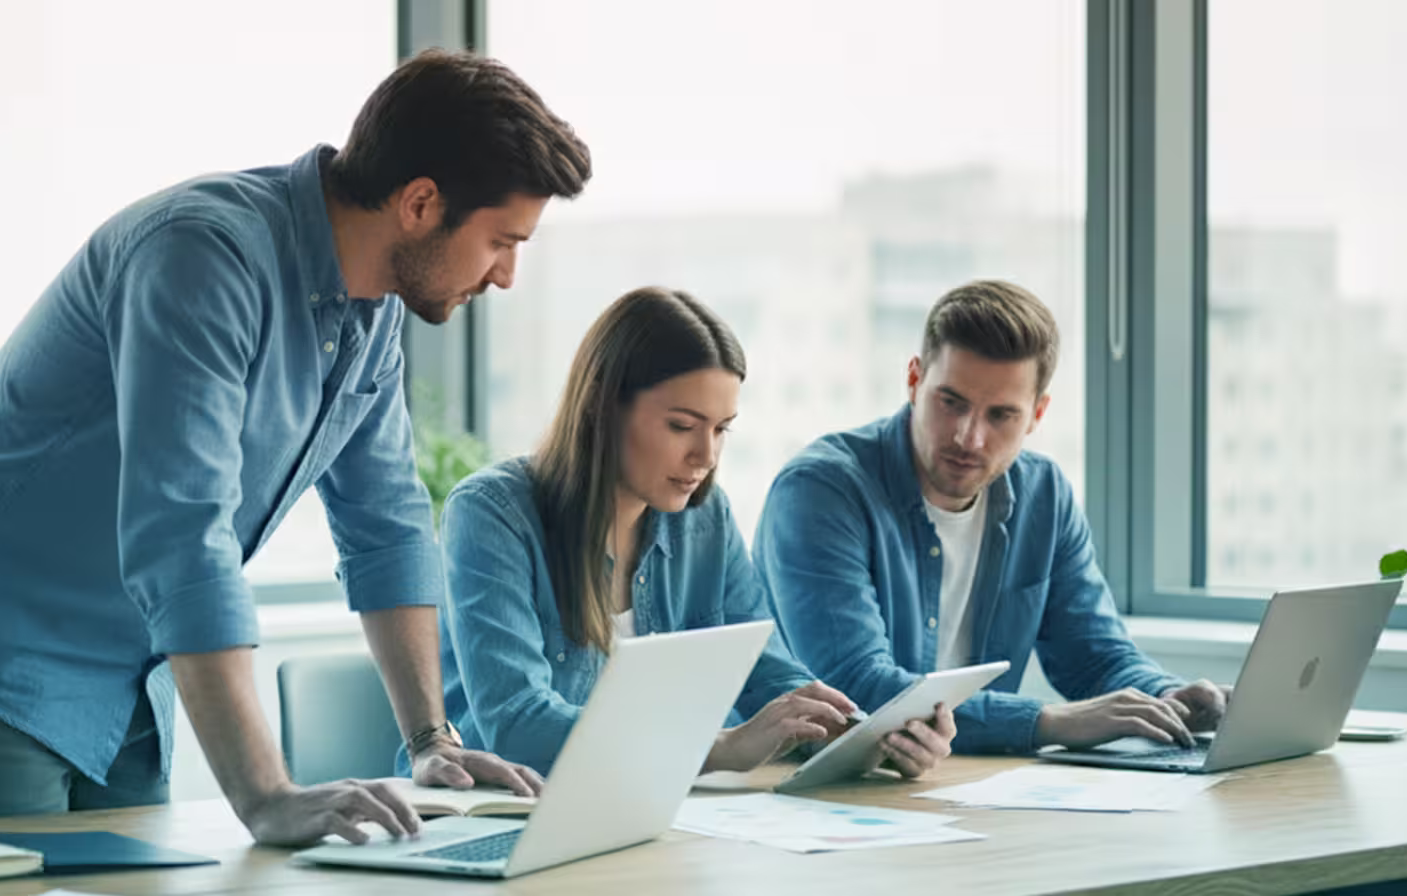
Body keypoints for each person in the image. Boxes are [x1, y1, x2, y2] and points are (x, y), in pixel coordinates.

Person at [0, 50, 591, 845]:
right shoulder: (202, 256)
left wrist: (434, 744)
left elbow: (385, 524)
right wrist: (266, 794)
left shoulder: (371, 313)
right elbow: (182, 534)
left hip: (127, 688)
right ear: (421, 203)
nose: (506, 277)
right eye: (503, 241)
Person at [430, 286, 955, 778]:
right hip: (500, 812)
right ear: (601, 406)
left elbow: (766, 672)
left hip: (645, 813)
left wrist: (863, 737)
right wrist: (717, 749)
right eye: (682, 426)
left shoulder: (704, 517)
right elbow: (517, 725)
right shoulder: (491, 514)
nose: (706, 457)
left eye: (721, 429)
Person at [754, 280, 1229, 755]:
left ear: (1036, 414)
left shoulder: (1044, 494)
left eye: (1000, 415)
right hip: (792, 787)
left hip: (955, 781)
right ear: (915, 380)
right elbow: (857, 691)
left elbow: (1093, 655)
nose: (969, 438)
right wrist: (1048, 721)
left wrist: (1165, 696)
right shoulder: (821, 491)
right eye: (951, 402)